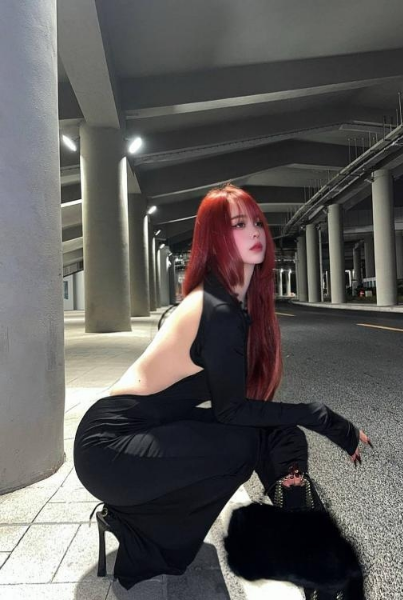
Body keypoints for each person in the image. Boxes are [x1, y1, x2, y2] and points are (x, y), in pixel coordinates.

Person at [74, 184, 371, 591]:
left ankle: (308, 542)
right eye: (238, 224)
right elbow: (233, 412)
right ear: (214, 239)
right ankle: (138, 525)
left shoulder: (229, 305)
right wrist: (322, 418)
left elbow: (241, 407)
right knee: (241, 443)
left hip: (140, 434)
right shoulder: (215, 309)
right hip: (111, 449)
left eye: (257, 222)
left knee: (277, 433)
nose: (255, 232)